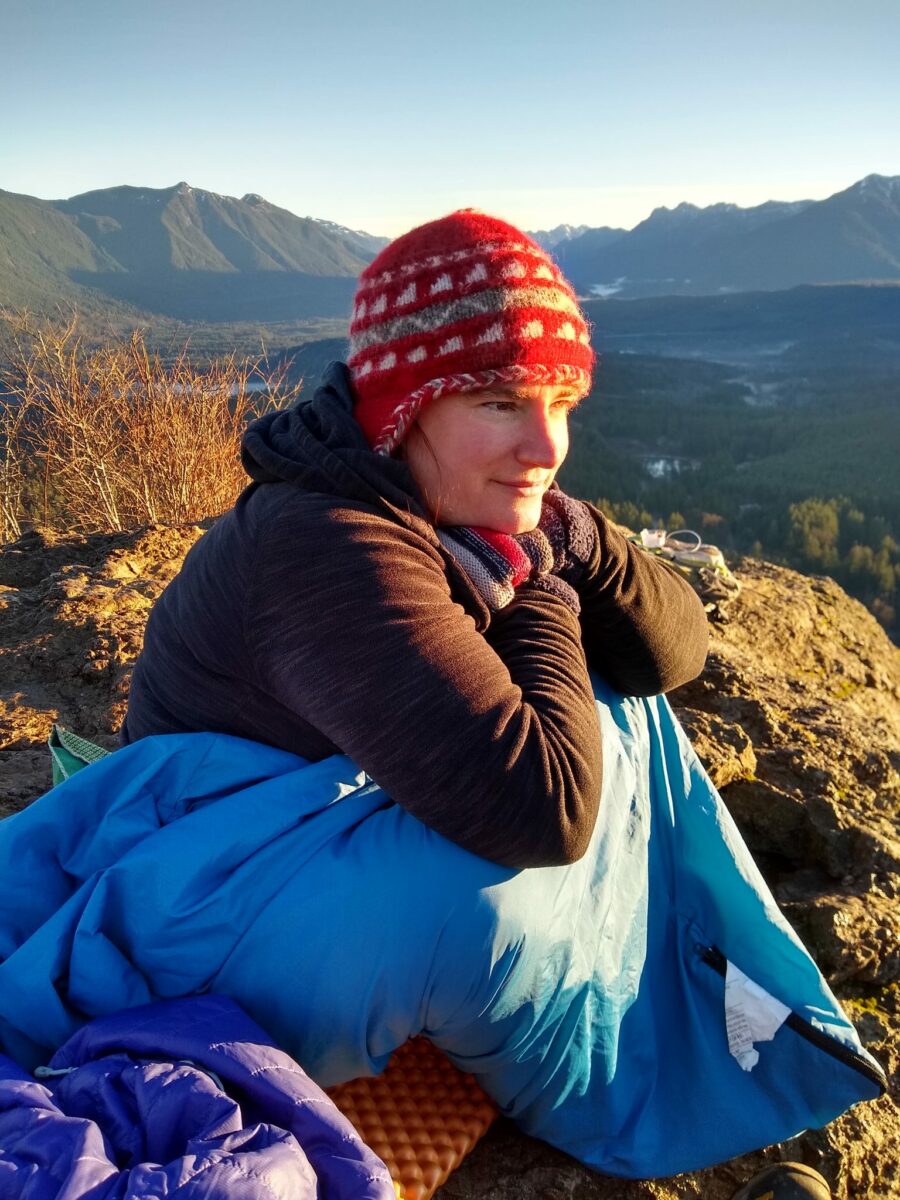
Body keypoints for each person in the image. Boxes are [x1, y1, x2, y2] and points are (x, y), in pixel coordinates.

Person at [98, 212, 869, 1196]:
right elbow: (535, 811)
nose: (545, 442)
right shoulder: (325, 543)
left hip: (301, 844)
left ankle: (655, 989)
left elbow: (677, 649)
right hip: (205, 908)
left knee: (621, 702)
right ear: (398, 408)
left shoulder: (450, 511)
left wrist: (576, 539)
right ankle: (622, 1096)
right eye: (501, 403)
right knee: (488, 892)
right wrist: (545, 584)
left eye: (561, 400)